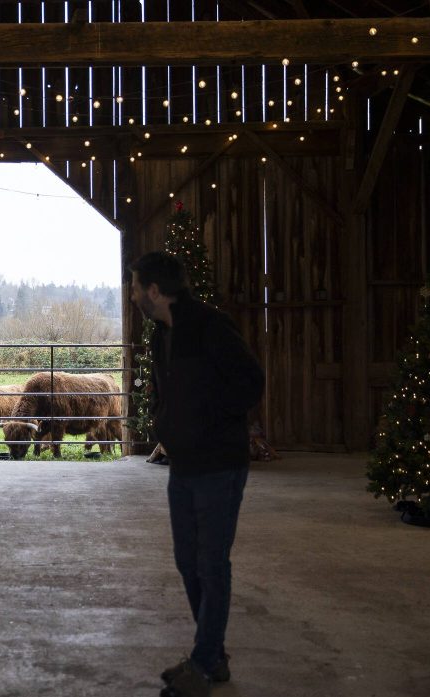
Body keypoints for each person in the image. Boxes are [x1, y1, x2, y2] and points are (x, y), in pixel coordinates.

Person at [129, 251, 264, 697]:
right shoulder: (161, 333)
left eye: (134, 286)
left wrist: (204, 421)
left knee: (212, 563)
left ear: (153, 291)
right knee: (188, 561)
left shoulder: (210, 326)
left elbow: (250, 381)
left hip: (219, 465)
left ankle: (204, 663)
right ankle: (214, 656)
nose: (131, 295)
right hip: (183, 465)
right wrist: (168, 424)